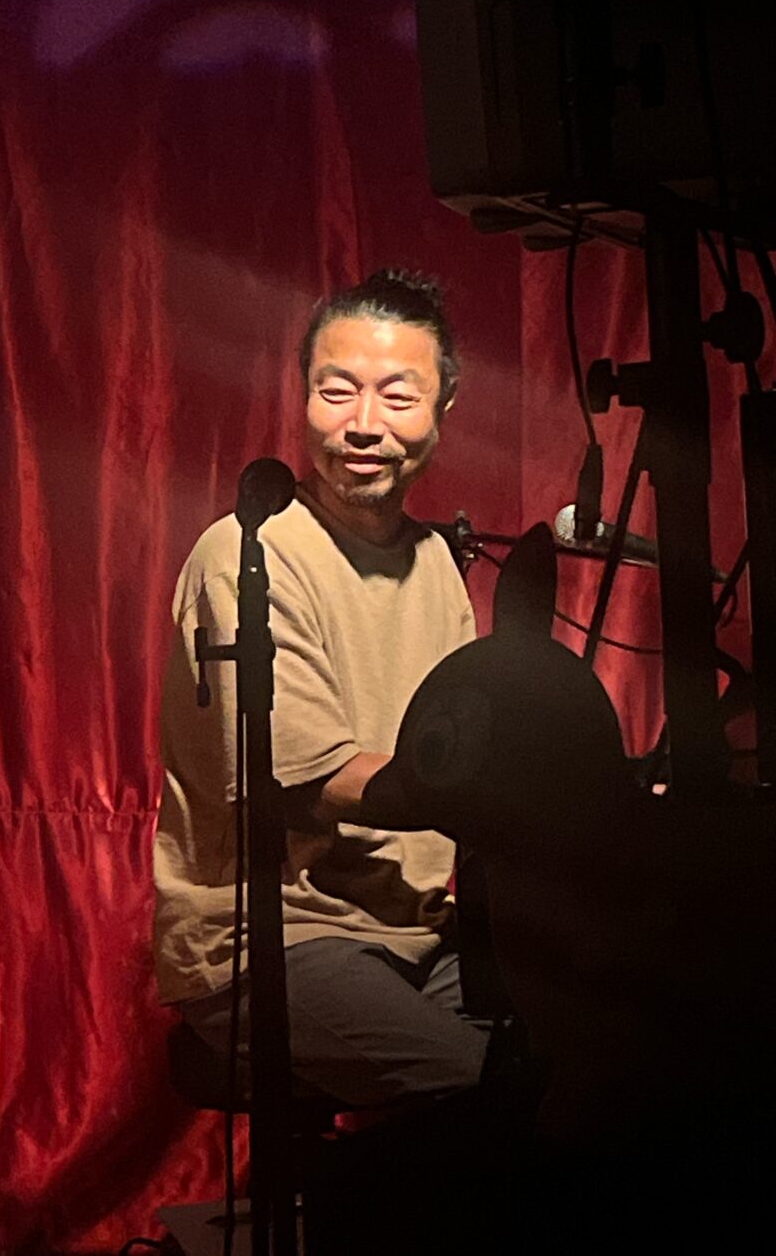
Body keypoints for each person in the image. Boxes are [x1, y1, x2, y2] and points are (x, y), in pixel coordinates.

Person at [152, 268, 493, 1111]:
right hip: (273, 937)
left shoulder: (435, 563)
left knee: (593, 1055)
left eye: (397, 396)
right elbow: (310, 780)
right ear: (303, 394)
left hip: (415, 929)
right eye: (337, 391)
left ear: (443, 410)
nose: (364, 423)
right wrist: (497, 790)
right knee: (486, 1086)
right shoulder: (247, 554)